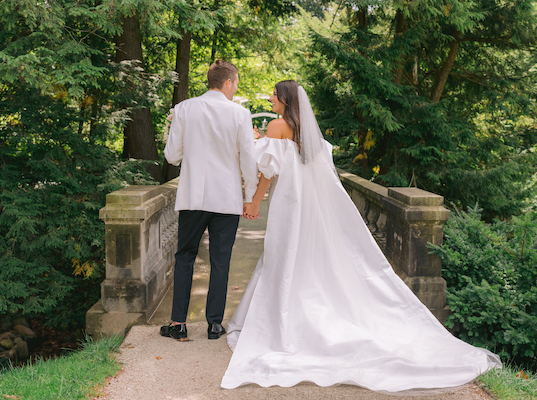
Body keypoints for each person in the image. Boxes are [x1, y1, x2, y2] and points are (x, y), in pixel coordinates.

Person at [221, 80, 501, 393]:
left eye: (274, 93)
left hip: (289, 204)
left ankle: (281, 323)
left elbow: (268, 172)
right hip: (306, 207)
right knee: (297, 257)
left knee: (281, 255)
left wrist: (255, 201)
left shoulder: (276, 126)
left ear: (286, 99)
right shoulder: (308, 134)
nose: (270, 97)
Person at [160, 60, 258, 341]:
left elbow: (172, 156)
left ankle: (178, 323)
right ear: (228, 82)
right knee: (220, 260)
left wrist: (172, 124)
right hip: (226, 199)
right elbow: (248, 161)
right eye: (236, 82)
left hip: (193, 197)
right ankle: (214, 325)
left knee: (185, 257)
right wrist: (249, 196)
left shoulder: (184, 109)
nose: (236, 87)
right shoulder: (241, 114)